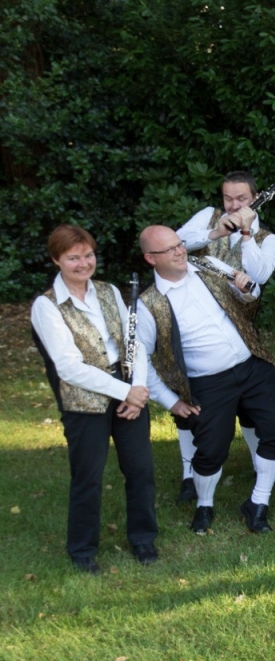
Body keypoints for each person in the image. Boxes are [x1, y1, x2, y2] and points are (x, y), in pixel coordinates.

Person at [136, 226, 275, 534]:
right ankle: (204, 504)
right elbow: (142, 364)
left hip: (251, 366)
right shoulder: (148, 305)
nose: (180, 251)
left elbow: (250, 298)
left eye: (180, 245)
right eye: (170, 250)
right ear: (150, 258)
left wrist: (247, 289)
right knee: (210, 452)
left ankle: (259, 502)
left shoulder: (207, 265)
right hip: (207, 384)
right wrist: (172, 401)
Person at [31, 225, 158, 573]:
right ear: (57, 260)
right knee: (88, 477)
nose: (83, 263)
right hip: (83, 399)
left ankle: (144, 539)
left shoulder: (108, 291)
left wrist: (139, 390)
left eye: (88, 255)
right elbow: (69, 368)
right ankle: (82, 551)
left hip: (127, 387)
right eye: (73, 258)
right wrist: (125, 391)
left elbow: (134, 343)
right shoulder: (46, 306)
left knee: (140, 469)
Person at [171, 171, 275, 502]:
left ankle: (255, 464)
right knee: (188, 405)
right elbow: (174, 245)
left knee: (251, 406)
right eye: (228, 198)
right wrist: (214, 231)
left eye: (241, 199)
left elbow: (260, 275)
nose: (233, 205)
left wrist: (246, 233)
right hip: (192, 327)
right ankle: (188, 474)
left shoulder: (268, 238)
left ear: (255, 197)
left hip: (239, 331)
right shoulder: (209, 216)